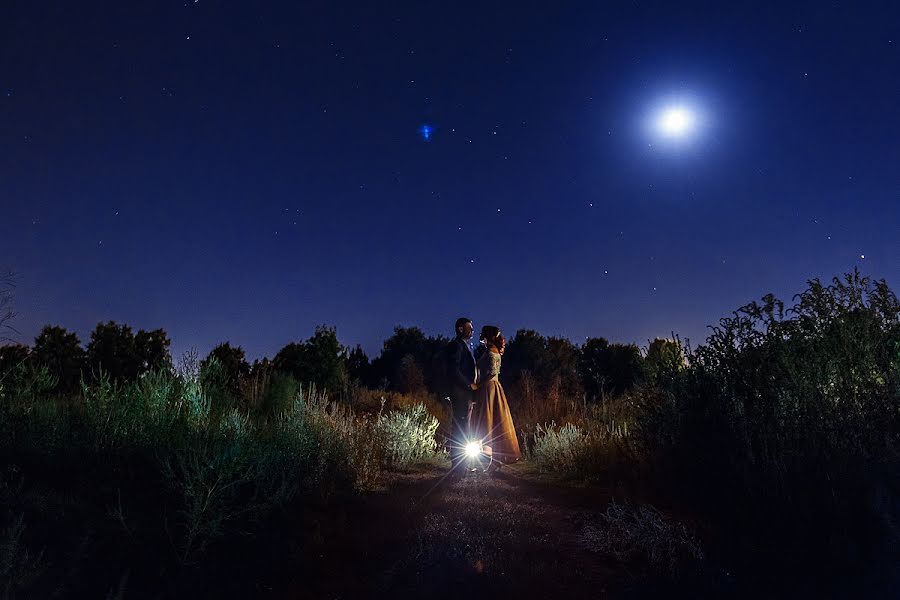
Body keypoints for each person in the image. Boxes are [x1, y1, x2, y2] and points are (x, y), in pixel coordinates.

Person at [472, 329, 521, 469]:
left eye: (483, 334)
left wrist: (477, 385)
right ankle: (491, 461)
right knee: (487, 422)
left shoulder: (492, 352)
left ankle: (491, 461)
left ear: (489, 337)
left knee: (489, 422)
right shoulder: (491, 350)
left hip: (489, 388)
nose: (481, 336)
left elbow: (492, 372)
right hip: (488, 388)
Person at [446, 317, 478, 471]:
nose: (472, 330)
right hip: (460, 392)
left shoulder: (465, 346)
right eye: (469, 327)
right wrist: (468, 384)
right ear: (460, 329)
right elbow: (453, 369)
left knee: (465, 426)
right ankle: (459, 465)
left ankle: (462, 464)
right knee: (460, 426)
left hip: (466, 393)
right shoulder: (456, 346)